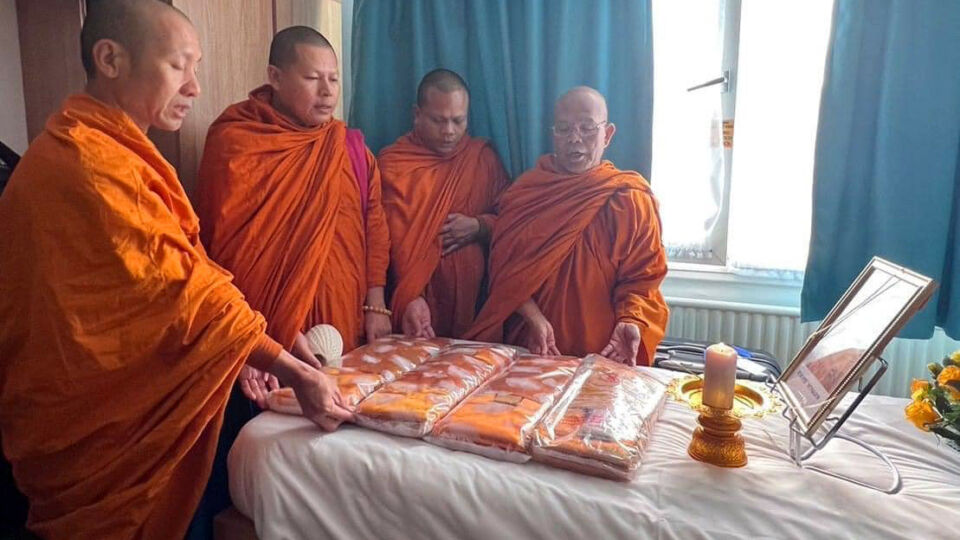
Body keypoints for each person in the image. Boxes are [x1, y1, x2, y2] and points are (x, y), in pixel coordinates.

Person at [0, 3, 350, 538]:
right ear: (111, 58)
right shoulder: (86, 164)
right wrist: (292, 370)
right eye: (177, 66)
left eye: (197, 67)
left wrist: (271, 344)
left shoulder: (123, 153)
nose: (194, 87)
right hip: (104, 422)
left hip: (142, 397)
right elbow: (184, 290)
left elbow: (188, 266)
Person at [197, 27, 391, 395]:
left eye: (333, 79)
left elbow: (374, 225)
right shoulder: (237, 142)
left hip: (345, 318)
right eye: (312, 78)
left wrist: (376, 306)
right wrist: (264, 337)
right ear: (275, 77)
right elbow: (224, 248)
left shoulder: (349, 147)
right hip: (264, 332)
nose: (327, 91)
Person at [466, 86, 669, 366]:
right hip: (533, 347)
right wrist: (532, 317)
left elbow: (642, 280)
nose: (575, 139)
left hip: (603, 354)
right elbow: (505, 269)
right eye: (564, 128)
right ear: (553, 134)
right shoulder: (526, 193)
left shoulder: (629, 199)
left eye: (587, 128)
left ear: (607, 134)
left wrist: (631, 320)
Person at [379, 68, 509, 338]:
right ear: (417, 115)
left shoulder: (482, 159)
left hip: (475, 310)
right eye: (438, 121)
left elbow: (513, 222)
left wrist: (479, 226)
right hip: (414, 309)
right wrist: (409, 297)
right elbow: (381, 245)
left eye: (458, 121)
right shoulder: (393, 165)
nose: (449, 131)